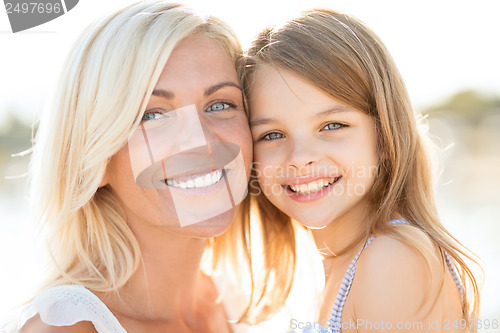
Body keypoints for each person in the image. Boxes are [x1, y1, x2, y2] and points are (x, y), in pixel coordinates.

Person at [3, 1, 296, 332]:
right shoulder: (67, 328)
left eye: (219, 104)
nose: (200, 141)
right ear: (95, 161)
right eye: (153, 115)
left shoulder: (238, 303)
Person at [243, 9, 481, 333]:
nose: (299, 158)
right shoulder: (329, 269)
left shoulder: (392, 261)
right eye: (272, 135)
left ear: (384, 135)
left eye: (332, 125)